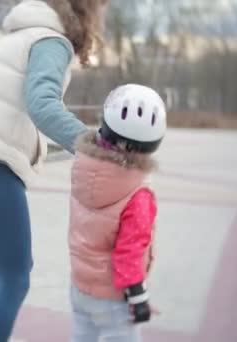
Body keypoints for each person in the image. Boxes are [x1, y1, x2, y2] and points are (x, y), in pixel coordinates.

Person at [0, 0, 108, 341]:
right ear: (83, 14)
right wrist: (94, 145)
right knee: (15, 280)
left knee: (12, 275)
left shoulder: (18, 35)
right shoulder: (51, 41)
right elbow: (43, 104)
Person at [69, 84, 167, 341]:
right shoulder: (138, 193)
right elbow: (130, 250)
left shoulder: (84, 167)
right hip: (113, 298)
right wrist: (138, 297)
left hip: (80, 287)